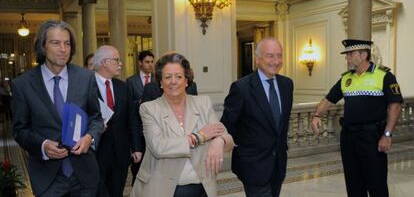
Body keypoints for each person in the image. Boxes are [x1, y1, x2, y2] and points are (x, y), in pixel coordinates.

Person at [11, 19, 103, 196]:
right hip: (48, 179)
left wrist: (90, 138)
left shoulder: (86, 78)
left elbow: (96, 117)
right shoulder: (22, 85)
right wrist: (43, 145)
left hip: (84, 176)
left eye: (67, 43)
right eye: (55, 43)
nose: (63, 49)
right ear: (43, 46)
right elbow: (20, 130)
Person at [130, 53, 234, 197]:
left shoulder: (203, 103)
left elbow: (224, 134)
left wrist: (219, 141)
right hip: (161, 187)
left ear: (186, 80)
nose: (173, 81)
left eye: (179, 76)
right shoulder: (149, 108)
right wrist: (199, 136)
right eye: (167, 77)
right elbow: (159, 146)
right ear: (160, 82)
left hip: (201, 186)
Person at [311, 39, 403, 197]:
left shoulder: (384, 76)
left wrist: (387, 135)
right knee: (353, 184)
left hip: (372, 137)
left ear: (363, 54)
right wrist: (317, 115)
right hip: (349, 138)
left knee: (377, 184)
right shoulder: (346, 79)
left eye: (350, 54)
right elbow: (328, 100)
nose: (347, 57)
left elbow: (395, 106)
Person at [221, 37, 294, 197]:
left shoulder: (287, 85)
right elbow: (227, 124)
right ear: (257, 59)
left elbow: (281, 125)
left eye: (279, 55)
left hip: (278, 165)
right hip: (252, 166)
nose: (276, 61)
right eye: (270, 56)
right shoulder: (241, 88)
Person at [93, 45, 139, 197]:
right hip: (95, 153)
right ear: (105, 62)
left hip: (120, 153)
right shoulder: (86, 86)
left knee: (116, 192)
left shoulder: (124, 87)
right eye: (117, 60)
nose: (121, 63)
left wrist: (136, 147)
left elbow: (132, 119)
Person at [126, 50, 155, 185]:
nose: (150, 65)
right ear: (140, 63)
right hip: (138, 131)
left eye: (152, 62)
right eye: (147, 62)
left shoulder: (158, 80)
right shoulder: (131, 82)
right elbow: (130, 110)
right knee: (138, 171)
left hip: (155, 131)